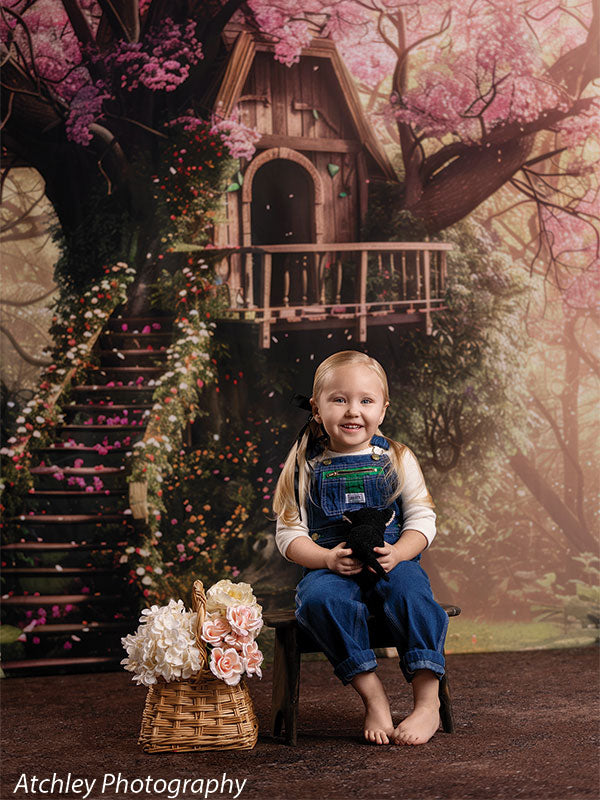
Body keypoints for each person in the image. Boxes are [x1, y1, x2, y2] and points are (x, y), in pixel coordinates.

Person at [273, 350, 448, 746]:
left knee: (413, 593)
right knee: (317, 601)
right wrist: (325, 559)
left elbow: (422, 518)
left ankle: (427, 701)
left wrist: (401, 551)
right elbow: (289, 535)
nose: (353, 411)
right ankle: (373, 696)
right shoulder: (304, 465)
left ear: (383, 409)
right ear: (317, 409)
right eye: (339, 399)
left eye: (366, 401)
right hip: (331, 566)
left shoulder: (397, 458)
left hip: (391, 561)